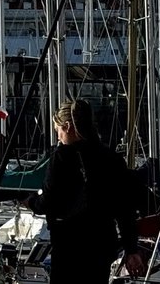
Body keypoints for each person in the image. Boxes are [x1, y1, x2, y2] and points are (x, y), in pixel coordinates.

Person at [26, 99, 145, 283]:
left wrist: (31, 201)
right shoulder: (111, 158)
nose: (58, 136)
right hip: (101, 245)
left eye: (58, 130)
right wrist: (131, 249)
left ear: (67, 127)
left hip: (69, 246)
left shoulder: (62, 157)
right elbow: (125, 209)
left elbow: (49, 201)